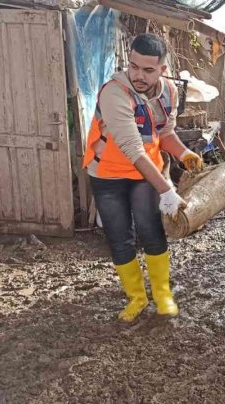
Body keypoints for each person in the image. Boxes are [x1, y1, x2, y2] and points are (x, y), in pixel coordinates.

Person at [83, 33, 204, 322]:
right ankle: (136, 297)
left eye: (148, 70)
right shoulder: (114, 92)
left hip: (145, 174)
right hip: (108, 174)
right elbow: (132, 148)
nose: (138, 75)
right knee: (120, 237)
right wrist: (167, 190)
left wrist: (184, 153)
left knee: (151, 230)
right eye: (133, 67)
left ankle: (163, 294)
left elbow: (164, 133)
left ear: (163, 69)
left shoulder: (168, 93)